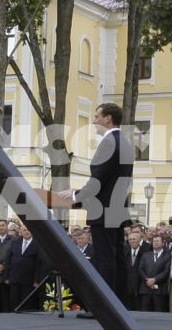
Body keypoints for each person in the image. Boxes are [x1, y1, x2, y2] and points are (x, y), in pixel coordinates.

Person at [57, 102, 133, 305]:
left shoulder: (110, 143)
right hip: (116, 207)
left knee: (105, 257)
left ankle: (104, 306)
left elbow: (99, 178)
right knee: (117, 257)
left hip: (105, 209)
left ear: (108, 118)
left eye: (97, 116)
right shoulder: (124, 142)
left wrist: (75, 195)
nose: (94, 121)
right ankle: (118, 303)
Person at [137, 228, 172, 313]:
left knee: (159, 313)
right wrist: (147, 280)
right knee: (145, 313)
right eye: (154, 241)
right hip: (145, 289)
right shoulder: (146, 255)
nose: (155, 243)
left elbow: (166, 271)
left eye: (157, 241)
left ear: (163, 243)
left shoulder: (167, 256)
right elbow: (140, 269)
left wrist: (154, 280)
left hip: (159, 290)